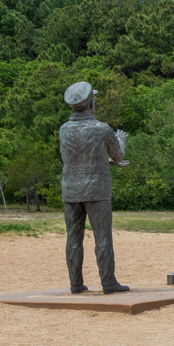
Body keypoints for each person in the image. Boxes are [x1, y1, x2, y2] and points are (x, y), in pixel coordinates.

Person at [58, 81, 131, 293]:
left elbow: (71, 159)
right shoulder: (102, 129)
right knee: (102, 237)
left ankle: (76, 284)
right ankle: (108, 282)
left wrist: (102, 161)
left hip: (71, 189)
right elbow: (118, 155)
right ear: (91, 103)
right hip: (96, 190)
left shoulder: (64, 130)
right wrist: (121, 140)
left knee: (73, 238)